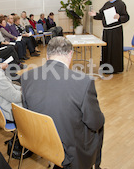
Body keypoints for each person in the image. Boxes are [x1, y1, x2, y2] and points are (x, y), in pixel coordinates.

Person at [21, 37, 105, 169]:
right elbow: (95, 123)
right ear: (70, 54)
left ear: (47, 55)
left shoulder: (26, 77)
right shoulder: (83, 82)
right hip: (69, 147)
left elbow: (27, 110)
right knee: (100, 123)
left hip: (39, 139)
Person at [88, 0, 130, 73]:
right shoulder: (106, 4)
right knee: (106, 49)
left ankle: (115, 68)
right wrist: (95, 14)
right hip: (106, 31)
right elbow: (101, 15)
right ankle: (106, 68)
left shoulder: (121, 4)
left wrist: (119, 17)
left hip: (115, 31)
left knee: (114, 49)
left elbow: (126, 17)